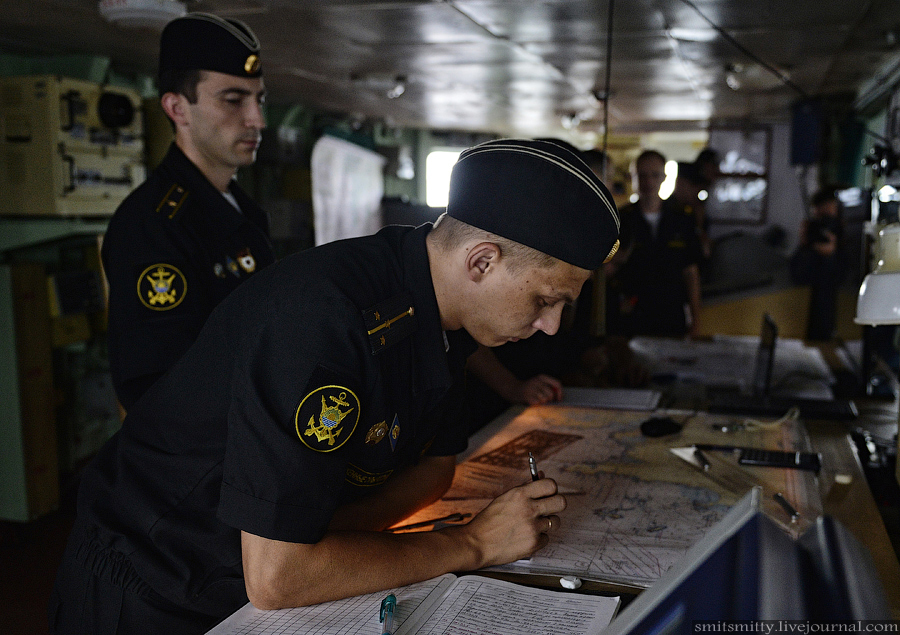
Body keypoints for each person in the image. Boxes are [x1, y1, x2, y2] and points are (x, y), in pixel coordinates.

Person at [49, 138, 620, 634]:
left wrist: (332, 542)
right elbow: (279, 577)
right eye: (546, 301)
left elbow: (436, 470)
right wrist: (470, 544)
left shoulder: (450, 316)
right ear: (481, 262)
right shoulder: (324, 319)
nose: (551, 325)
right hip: (154, 580)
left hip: (250, 572)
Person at [101, 13, 276, 412]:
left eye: (259, 99)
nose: (257, 120)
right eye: (233, 100)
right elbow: (156, 389)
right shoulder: (152, 226)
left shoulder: (241, 212)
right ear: (177, 108)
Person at [606, 149, 703, 339]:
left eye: (654, 175)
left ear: (664, 177)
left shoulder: (682, 219)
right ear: (633, 177)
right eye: (642, 176)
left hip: (671, 316)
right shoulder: (619, 220)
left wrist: (696, 321)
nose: (648, 182)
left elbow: (691, 272)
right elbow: (607, 271)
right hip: (630, 318)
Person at [789, 187, 848, 341]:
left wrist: (832, 254)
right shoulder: (811, 231)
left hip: (832, 297)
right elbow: (797, 275)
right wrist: (804, 244)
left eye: (831, 208)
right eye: (820, 211)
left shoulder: (843, 233)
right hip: (805, 300)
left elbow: (842, 275)